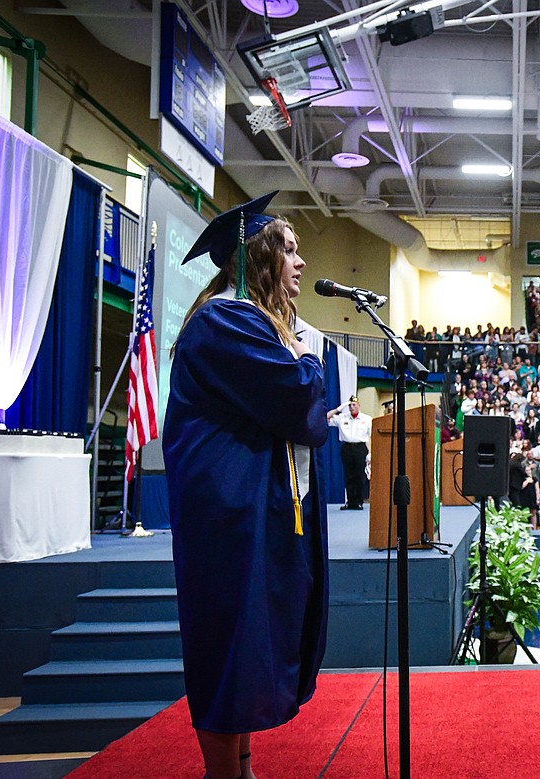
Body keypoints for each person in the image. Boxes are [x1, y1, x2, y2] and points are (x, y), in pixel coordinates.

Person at [164, 192, 329, 779]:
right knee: (227, 639)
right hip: (227, 517)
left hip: (246, 511)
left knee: (245, 638)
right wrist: (308, 362)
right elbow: (296, 397)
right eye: (288, 249)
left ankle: (242, 769)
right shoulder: (225, 321)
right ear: (257, 257)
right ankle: (223, 775)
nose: (300, 263)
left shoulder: (244, 323)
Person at [327, 395, 371, 510]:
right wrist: (338, 409)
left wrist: (370, 453)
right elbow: (326, 418)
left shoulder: (366, 419)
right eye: (350, 405)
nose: (351, 407)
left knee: (360, 475)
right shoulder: (342, 417)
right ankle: (350, 502)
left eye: (354, 405)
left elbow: (372, 436)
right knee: (349, 475)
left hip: (360, 448)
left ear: (359, 406)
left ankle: (359, 501)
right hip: (347, 448)